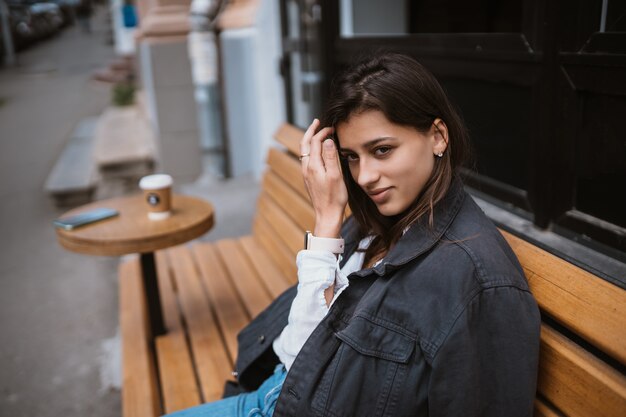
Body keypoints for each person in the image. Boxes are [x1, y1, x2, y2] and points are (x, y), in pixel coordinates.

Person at [167, 52, 541, 417]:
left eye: (382, 150)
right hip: (273, 391)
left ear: (438, 137)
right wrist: (328, 222)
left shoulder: (479, 283)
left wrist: (328, 219)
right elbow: (302, 348)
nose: (363, 177)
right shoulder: (375, 221)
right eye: (351, 157)